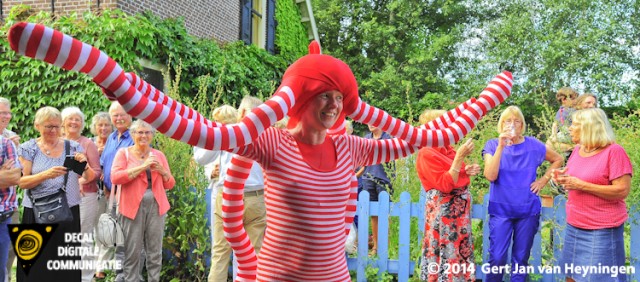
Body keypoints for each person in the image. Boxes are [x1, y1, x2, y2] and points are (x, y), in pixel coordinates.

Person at [6, 26, 513, 280]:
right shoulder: (270, 139)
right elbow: (194, 126)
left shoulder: (351, 145)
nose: (334, 106)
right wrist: (94, 63)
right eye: (324, 96)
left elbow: (417, 136)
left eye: (341, 98)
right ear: (302, 99)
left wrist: (494, 91)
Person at [482, 106, 563, 282]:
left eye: (516, 121)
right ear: (501, 124)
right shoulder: (492, 145)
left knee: (521, 260)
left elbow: (558, 159)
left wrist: (542, 181)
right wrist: (501, 147)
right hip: (501, 210)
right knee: (497, 258)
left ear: (522, 125)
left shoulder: (533, 145)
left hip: (527, 210)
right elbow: (490, 175)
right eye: (508, 121)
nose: (512, 124)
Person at [553, 108, 632, 282]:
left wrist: (581, 185)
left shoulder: (614, 152)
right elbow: (574, 180)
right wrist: (561, 179)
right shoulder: (577, 150)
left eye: (574, 124)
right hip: (575, 226)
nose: (569, 128)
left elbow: (622, 191)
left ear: (588, 127)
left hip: (601, 229)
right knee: (571, 277)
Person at [17, 106, 94, 282]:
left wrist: (85, 164)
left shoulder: (71, 147)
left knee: (64, 263)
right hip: (36, 212)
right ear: (37, 125)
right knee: (36, 265)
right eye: (48, 126)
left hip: (67, 211)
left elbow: (89, 178)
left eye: (57, 126)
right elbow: (21, 182)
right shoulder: (29, 149)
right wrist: (46, 174)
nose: (53, 130)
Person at [416, 109, 481, 281]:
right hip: (444, 217)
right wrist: (459, 158)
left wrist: (465, 170)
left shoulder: (447, 149)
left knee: (458, 250)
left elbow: (454, 174)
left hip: (458, 216)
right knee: (445, 250)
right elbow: (445, 184)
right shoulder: (427, 152)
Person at [209, 97, 267, 282]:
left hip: (228, 197)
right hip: (256, 198)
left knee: (220, 253)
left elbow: (203, 154)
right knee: (254, 255)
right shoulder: (269, 136)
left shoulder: (231, 133)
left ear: (241, 113)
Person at [111, 120, 175, 282]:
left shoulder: (159, 155)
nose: (143, 136)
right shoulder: (123, 154)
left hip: (156, 206)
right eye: (139, 132)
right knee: (132, 250)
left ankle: (154, 279)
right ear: (132, 134)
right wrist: (142, 166)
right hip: (131, 207)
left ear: (152, 135)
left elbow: (170, 184)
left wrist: (162, 171)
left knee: (155, 251)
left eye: (147, 132)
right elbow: (116, 177)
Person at [193, 105, 239, 279]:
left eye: (219, 122)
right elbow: (203, 166)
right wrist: (210, 173)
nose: (216, 125)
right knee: (236, 248)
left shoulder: (223, 137)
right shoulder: (240, 135)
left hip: (227, 194)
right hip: (223, 190)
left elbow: (201, 157)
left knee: (221, 247)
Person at [61, 106, 101, 282]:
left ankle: (85, 277)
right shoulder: (58, 143)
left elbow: (96, 172)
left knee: (83, 236)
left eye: (77, 119)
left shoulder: (87, 144)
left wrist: (77, 183)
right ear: (63, 122)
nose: (74, 122)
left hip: (85, 196)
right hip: (60, 198)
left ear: (82, 124)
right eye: (70, 118)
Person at [95, 102, 133, 281]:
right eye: (115, 115)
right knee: (111, 232)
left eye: (122, 114)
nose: (118, 118)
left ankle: (124, 274)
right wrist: (106, 188)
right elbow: (104, 165)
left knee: (126, 235)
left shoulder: (134, 136)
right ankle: (113, 271)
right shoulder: (112, 137)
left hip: (127, 194)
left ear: (130, 115)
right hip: (111, 195)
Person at [357, 124, 395, 255]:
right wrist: (354, 175)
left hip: (384, 180)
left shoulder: (388, 138)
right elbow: (364, 162)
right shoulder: (366, 138)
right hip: (368, 179)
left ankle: (388, 246)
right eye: (368, 122)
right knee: (374, 215)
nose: (370, 124)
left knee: (385, 214)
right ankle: (376, 247)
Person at [0, 97, 21, 282]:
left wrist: (7, 174)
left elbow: (16, 176)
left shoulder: (10, 139)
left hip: (7, 207)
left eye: (8, 112)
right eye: (2, 113)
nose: (6, 116)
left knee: (9, 250)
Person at [547, 87, 578, 157]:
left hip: (564, 134)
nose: (576, 101)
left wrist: (553, 135)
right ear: (564, 99)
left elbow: (555, 124)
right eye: (573, 99)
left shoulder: (560, 111)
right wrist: (554, 135)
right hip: (567, 134)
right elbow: (555, 124)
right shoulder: (572, 111)